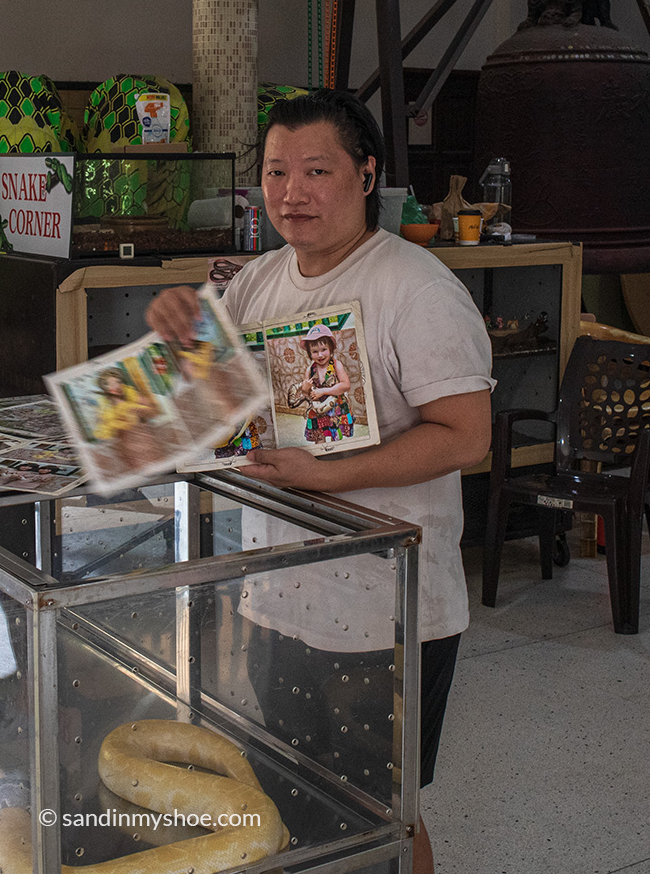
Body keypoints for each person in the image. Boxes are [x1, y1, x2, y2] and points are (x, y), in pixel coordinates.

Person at [145, 89, 494, 874]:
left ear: (367, 175)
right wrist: (182, 343)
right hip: (277, 595)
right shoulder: (259, 282)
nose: (291, 192)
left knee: (381, 810)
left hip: (386, 608)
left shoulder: (417, 289)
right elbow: (210, 405)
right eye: (275, 172)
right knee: (291, 793)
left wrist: (326, 474)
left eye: (316, 170)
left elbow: (467, 436)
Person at [290, 322, 353, 443]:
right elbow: (306, 394)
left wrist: (324, 391)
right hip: (317, 409)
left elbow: (346, 385)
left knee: (337, 438)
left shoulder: (336, 365)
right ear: (309, 353)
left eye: (324, 349)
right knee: (319, 438)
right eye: (314, 351)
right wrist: (305, 388)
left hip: (336, 407)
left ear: (331, 349)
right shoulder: (310, 370)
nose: (320, 355)